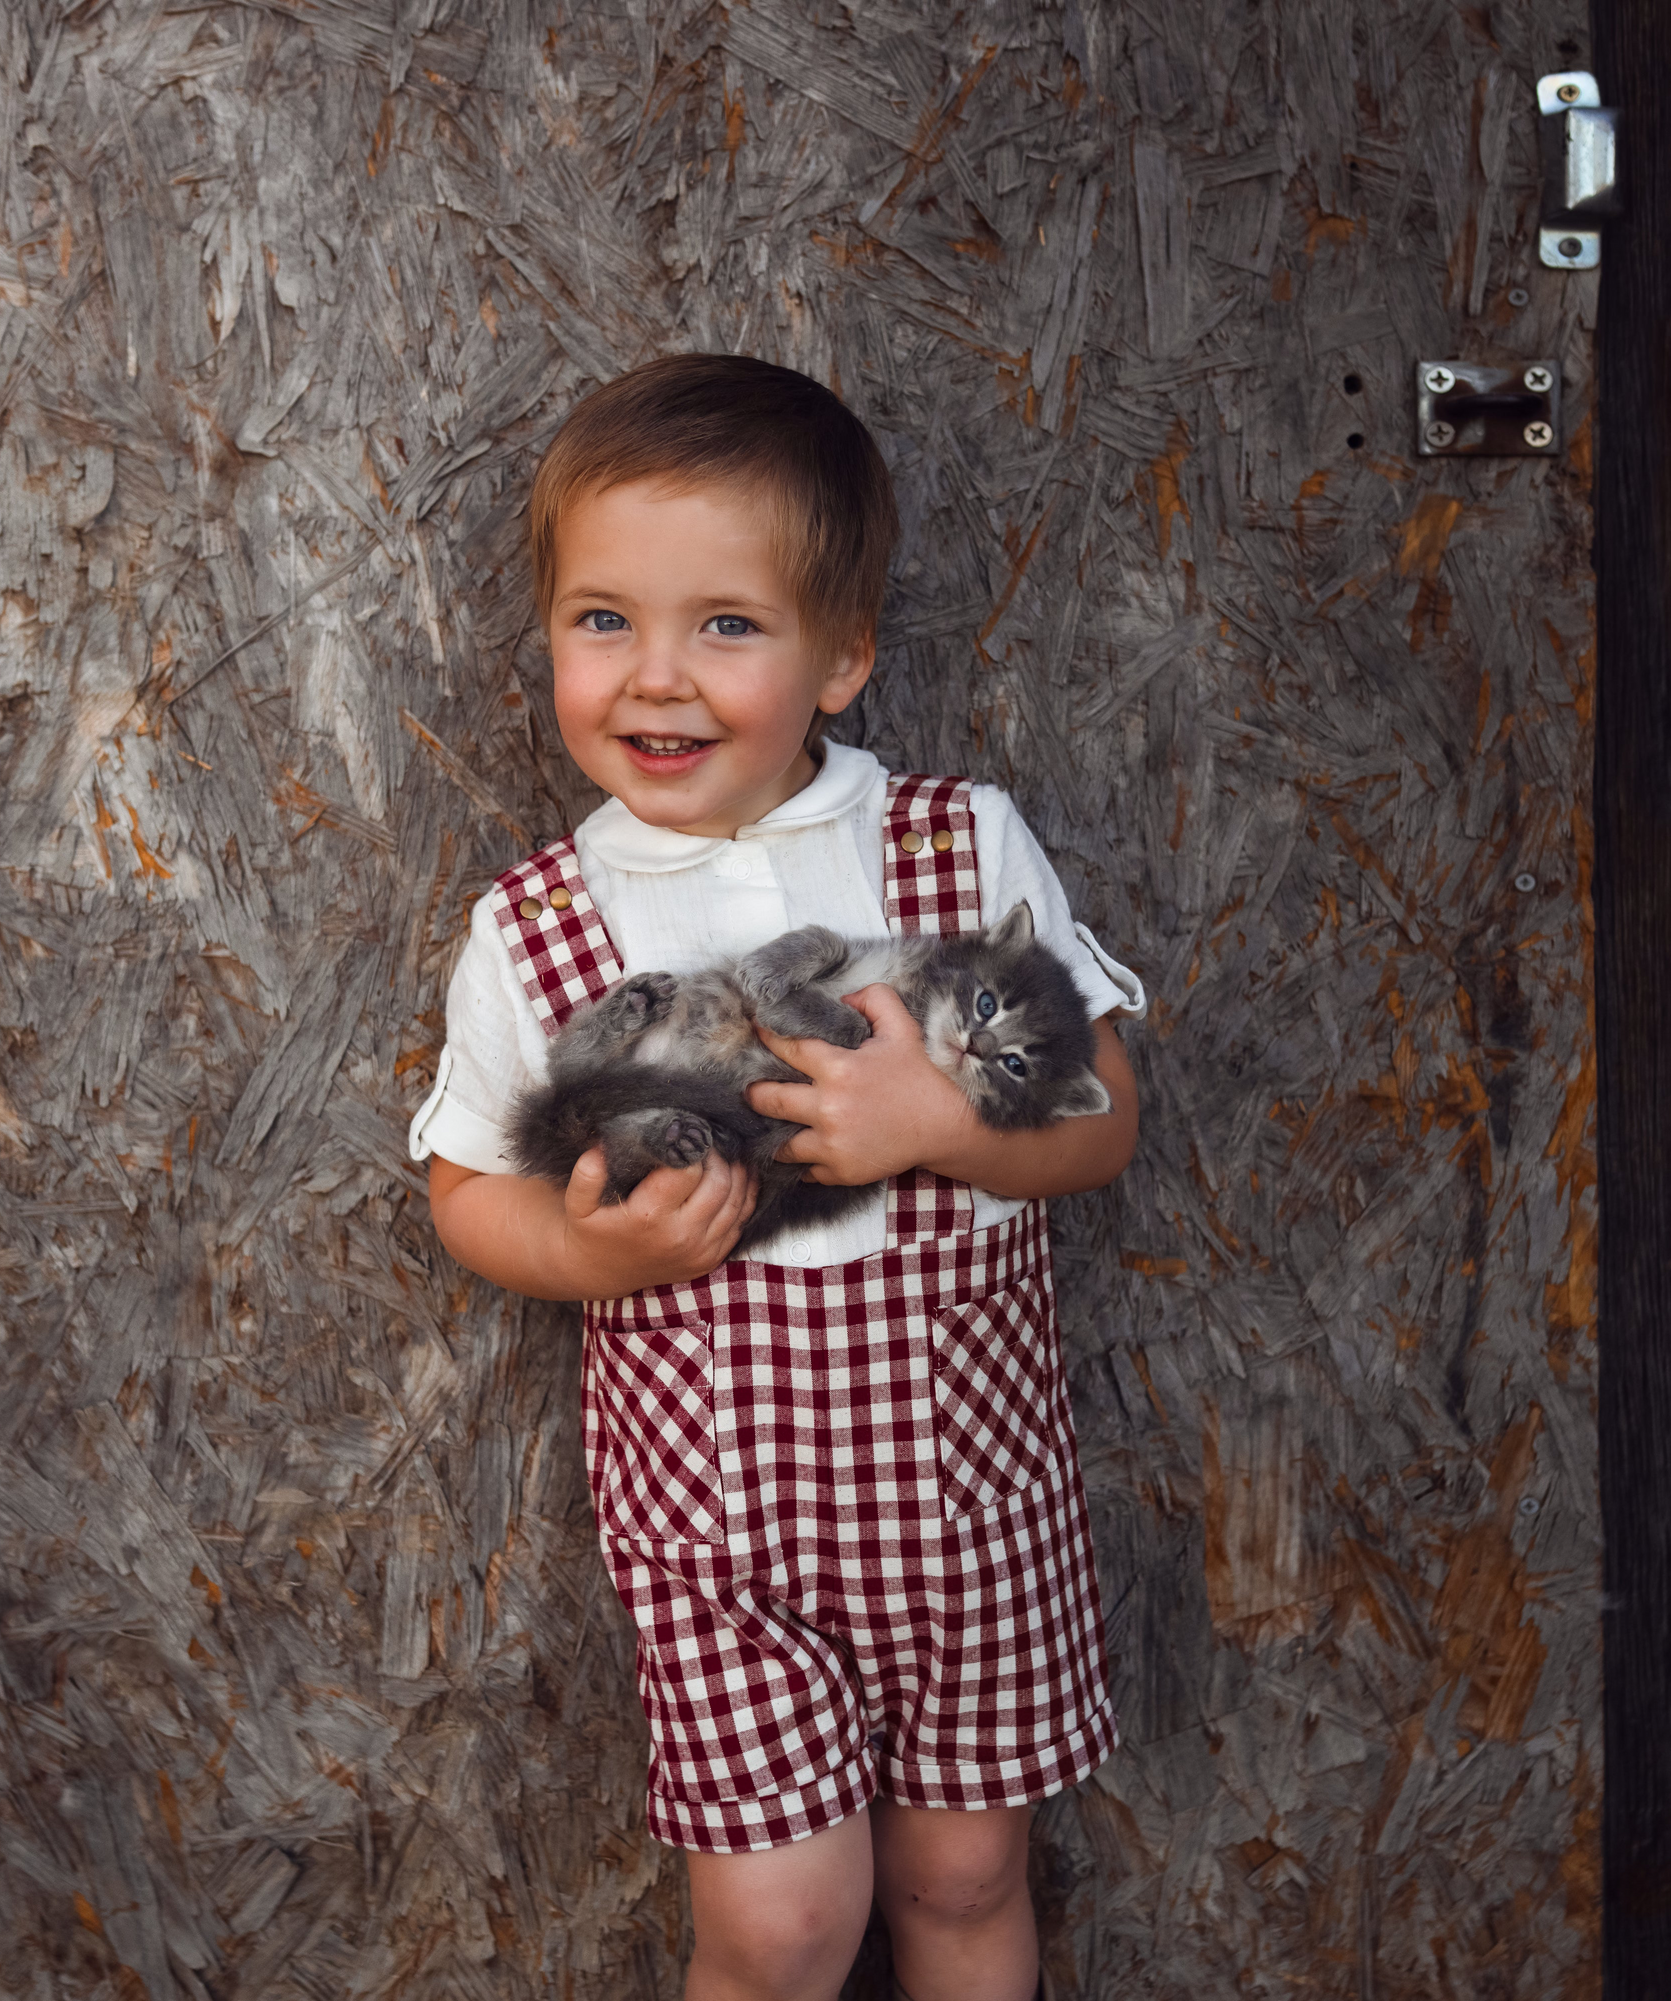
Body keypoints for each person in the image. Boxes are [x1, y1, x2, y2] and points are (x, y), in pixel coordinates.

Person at [410, 354, 1144, 2001]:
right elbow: (467, 1190)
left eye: (725, 626)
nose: (653, 677)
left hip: (974, 1508)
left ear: (844, 656)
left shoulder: (956, 848)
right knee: (779, 1925)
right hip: (726, 1536)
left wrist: (943, 1126)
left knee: (963, 1875)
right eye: (603, 620)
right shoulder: (536, 930)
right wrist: (592, 1259)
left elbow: (1105, 1119)